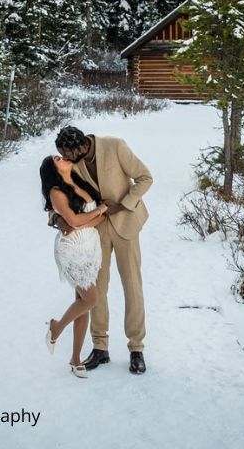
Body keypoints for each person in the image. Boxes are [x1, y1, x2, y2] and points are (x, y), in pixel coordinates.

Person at [52, 125, 152, 374]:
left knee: (132, 286)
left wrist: (123, 205)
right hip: (94, 232)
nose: (67, 159)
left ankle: (136, 348)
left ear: (83, 145)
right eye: (63, 154)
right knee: (98, 288)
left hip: (126, 224)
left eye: (70, 154)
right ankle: (100, 347)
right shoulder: (70, 162)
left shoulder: (115, 145)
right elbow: (57, 194)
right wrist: (57, 219)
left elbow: (145, 177)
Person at [39, 155, 109, 377]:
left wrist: (87, 218)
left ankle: (75, 358)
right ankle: (56, 328)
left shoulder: (80, 181)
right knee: (91, 299)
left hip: (90, 247)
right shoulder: (56, 192)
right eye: (57, 159)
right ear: (53, 170)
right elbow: (74, 220)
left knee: (82, 303)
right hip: (72, 250)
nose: (63, 157)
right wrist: (98, 211)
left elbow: (94, 221)